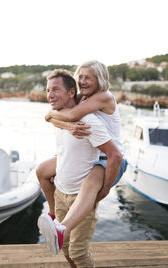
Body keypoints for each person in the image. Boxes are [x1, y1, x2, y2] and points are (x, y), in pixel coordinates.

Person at [37, 68, 124, 267]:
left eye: (55, 89)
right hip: (61, 191)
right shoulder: (59, 116)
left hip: (80, 196)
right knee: (66, 248)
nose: (50, 95)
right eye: (48, 90)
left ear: (71, 93)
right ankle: (52, 217)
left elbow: (115, 155)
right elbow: (50, 117)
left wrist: (104, 190)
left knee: (78, 252)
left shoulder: (87, 121)